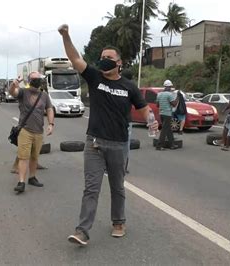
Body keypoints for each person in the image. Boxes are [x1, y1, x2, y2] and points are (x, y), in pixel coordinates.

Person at [58, 24, 158, 246]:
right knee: (91, 188)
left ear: (119, 62)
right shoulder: (95, 78)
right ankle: (82, 230)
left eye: (109, 57)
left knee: (117, 187)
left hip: (119, 145)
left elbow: (144, 109)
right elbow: (75, 59)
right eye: (102, 56)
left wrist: (152, 124)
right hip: (94, 143)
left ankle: (118, 222)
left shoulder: (129, 87)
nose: (104, 59)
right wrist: (66, 36)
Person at [9, 72, 54, 193]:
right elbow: (12, 92)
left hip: (39, 131)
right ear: (29, 81)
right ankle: (21, 182)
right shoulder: (23, 92)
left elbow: (49, 109)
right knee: (24, 157)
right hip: (25, 130)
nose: (36, 81)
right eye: (33, 79)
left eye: (37, 79)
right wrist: (14, 84)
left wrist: (51, 124)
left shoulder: (44, 95)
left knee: (34, 157)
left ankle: (32, 178)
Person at [156, 80, 178, 150]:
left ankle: (172, 144)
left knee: (168, 129)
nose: (171, 88)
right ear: (169, 87)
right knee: (164, 130)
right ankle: (159, 146)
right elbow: (174, 104)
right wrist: (177, 97)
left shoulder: (159, 94)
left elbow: (157, 105)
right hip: (167, 114)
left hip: (161, 114)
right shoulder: (169, 94)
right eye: (170, 87)